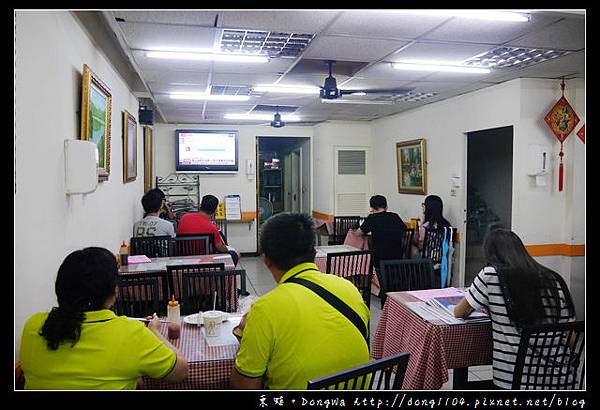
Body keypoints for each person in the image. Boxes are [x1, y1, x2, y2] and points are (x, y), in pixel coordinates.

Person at [230, 213, 370, 389]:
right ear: (314, 252)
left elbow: (244, 386)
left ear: (266, 260)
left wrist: (246, 336)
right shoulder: (349, 288)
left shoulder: (264, 309)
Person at [19, 247, 188, 389]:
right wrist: (155, 332)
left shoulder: (33, 326)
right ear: (113, 291)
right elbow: (181, 370)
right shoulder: (131, 334)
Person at [454, 229, 576, 389]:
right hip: (561, 380)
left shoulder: (490, 275)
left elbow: (459, 312)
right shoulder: (553, 278)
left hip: (514, 381)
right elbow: (571, 337)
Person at [177, 194, 240, 265]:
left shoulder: (184, 218)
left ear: (200, 206)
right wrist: (228, 249)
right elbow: (220, 248)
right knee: (234, 254)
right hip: (205, 260)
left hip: (183, 258)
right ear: (215, 211)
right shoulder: (212, 227)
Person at [354, 195, 407, 268]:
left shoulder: (372, 218)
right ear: (386, 206)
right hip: (397, 256)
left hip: (379, 258)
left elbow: (358, 233)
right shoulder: (395, 216)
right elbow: (405, 231)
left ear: (372, 207)